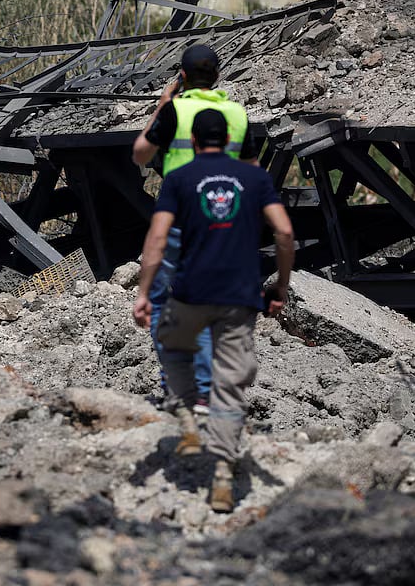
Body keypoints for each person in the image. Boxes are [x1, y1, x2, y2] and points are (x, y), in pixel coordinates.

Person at [132, 108, 294, 513]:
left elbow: (157, 239)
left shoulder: (179, 178)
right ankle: (223, 471)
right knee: (229, 385)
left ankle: (187, 415)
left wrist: (144, 291)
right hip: (240, 297)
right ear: (229, 140)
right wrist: (281, 284)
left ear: (193, 140)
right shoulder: (255, 178)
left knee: (172, 347)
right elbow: (285, 231)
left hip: (190, 294)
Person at [131, 44, 259, 415]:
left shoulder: (176, 110)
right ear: (217, 75)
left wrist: (161, 106)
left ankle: (183, 386)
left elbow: (140, 154)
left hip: (180, 216)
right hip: (225, 219)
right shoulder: (236, 113)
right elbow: (253, 170)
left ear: (183, 77)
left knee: (162, 300)